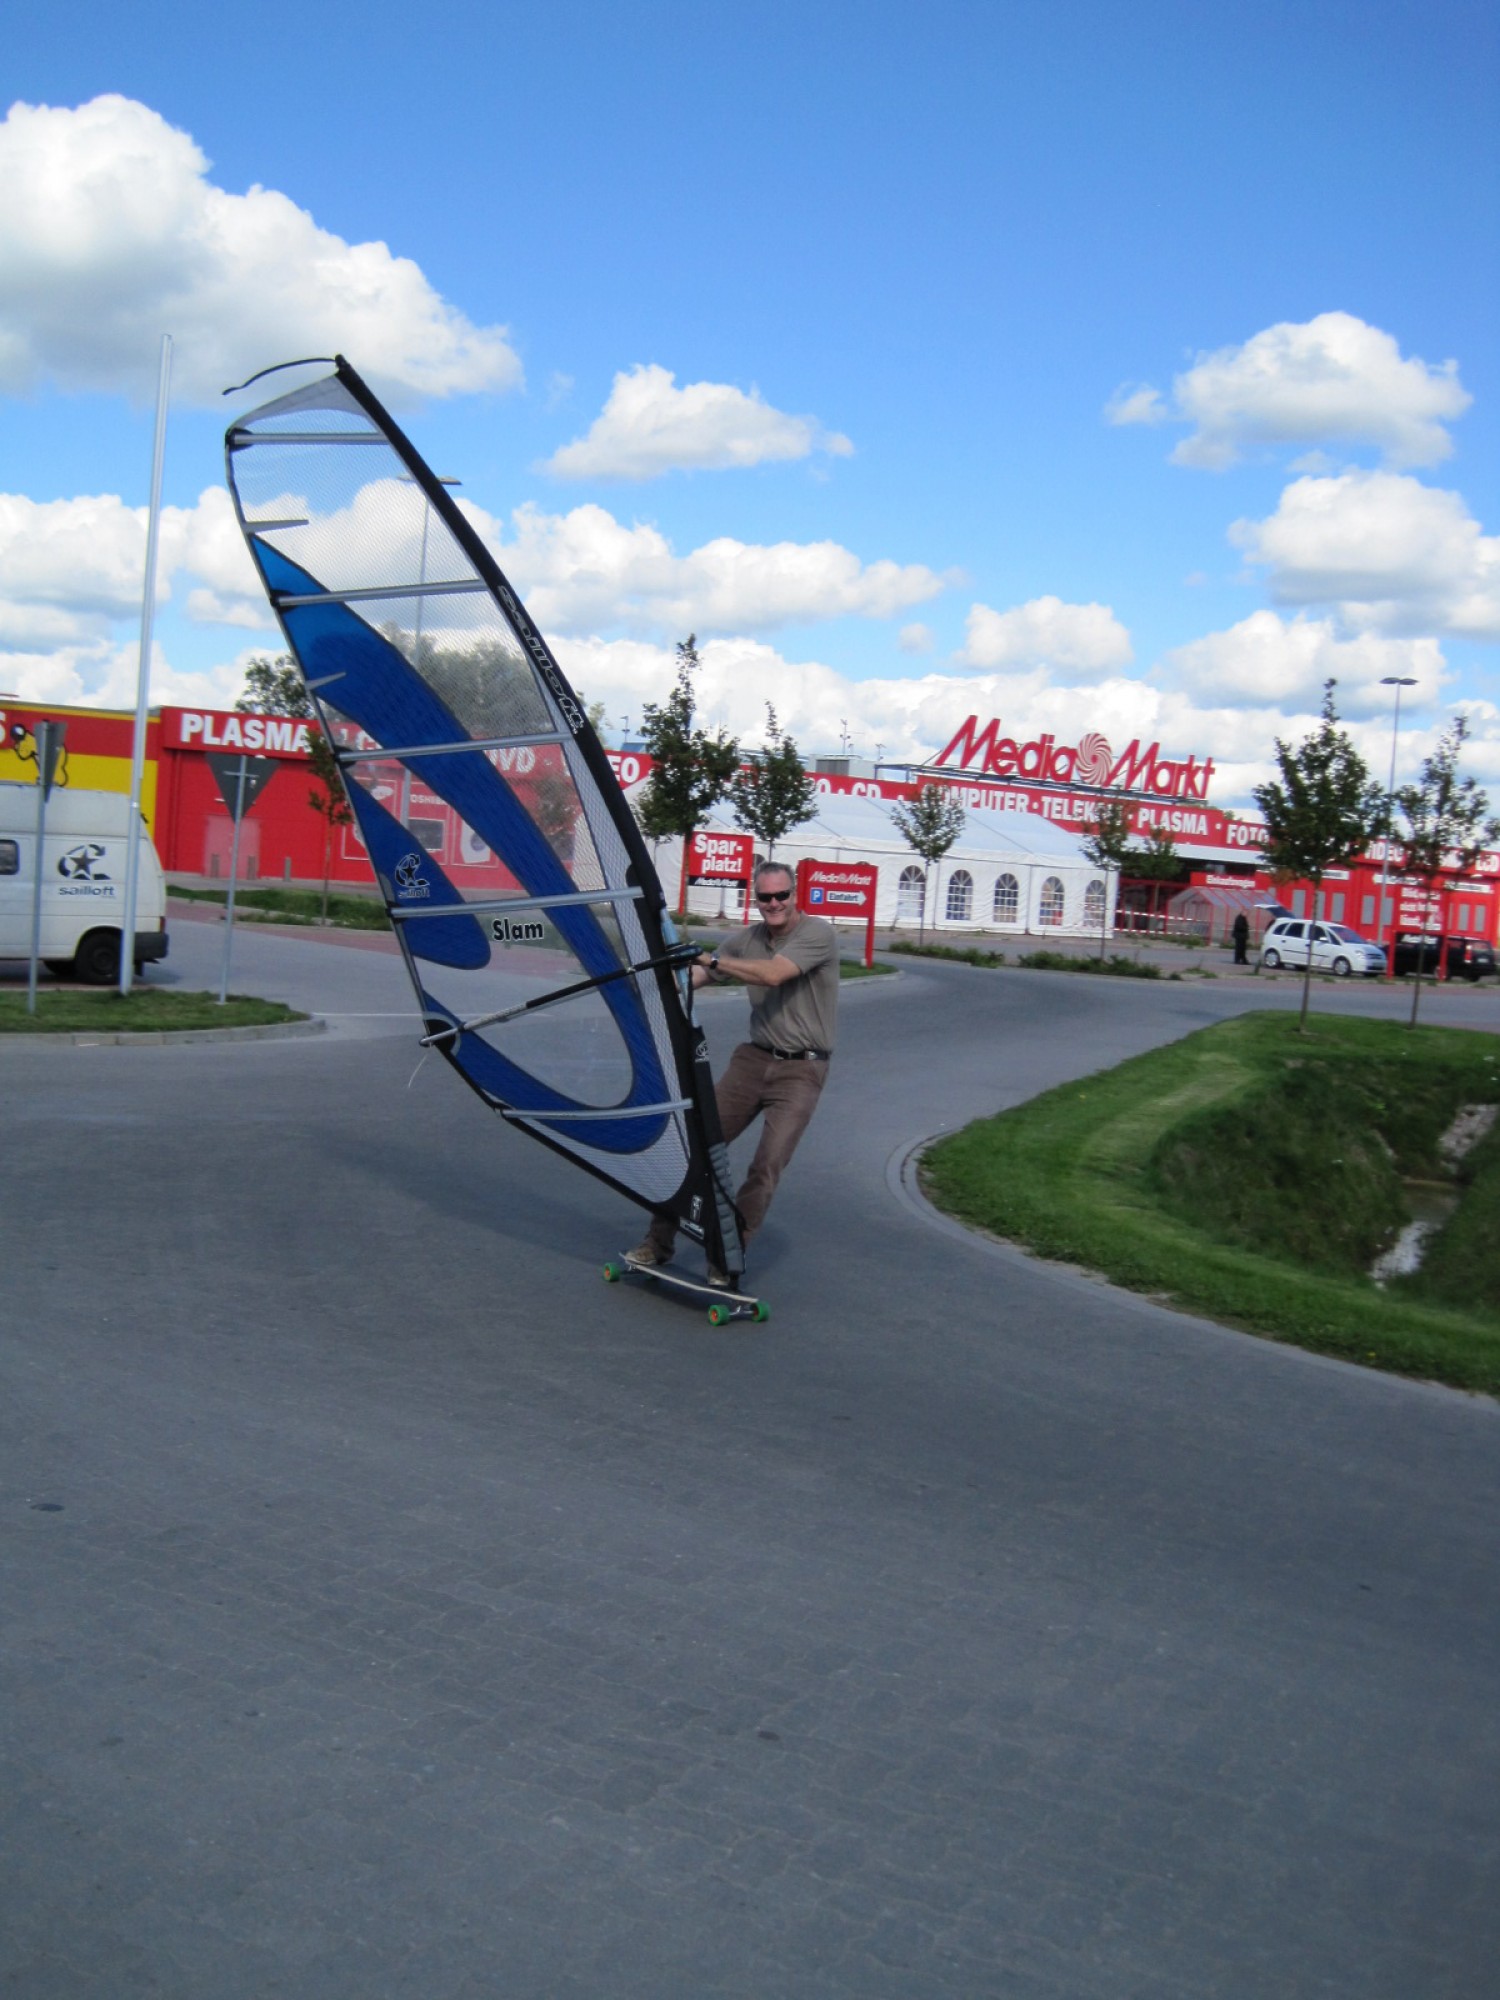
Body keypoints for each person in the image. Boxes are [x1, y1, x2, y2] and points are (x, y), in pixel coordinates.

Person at [631, 860, 839, 1281]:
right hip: (752, 1060)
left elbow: (774, 974)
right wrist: (646, 979)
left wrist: (713, 959)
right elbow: (696, 976)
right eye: (766, 897)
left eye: (782, 895)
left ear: (794, 893)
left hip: (802, 1071)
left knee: (766, 1166)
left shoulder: (818, 934)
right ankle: (657, 1243)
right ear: (755, 900)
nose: (775, 903)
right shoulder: (747, 939)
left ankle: (724, 1259)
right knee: (698, 1148)